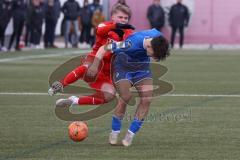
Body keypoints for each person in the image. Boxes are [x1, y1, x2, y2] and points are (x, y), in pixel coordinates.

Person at [87, 28, 170, 147]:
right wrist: (95, 66)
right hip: (123, 67)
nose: (155, 58)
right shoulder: (130, 44)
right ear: (149, 47)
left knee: (147, 99)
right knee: (126, 96)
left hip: (142, 69)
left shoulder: (158, 38)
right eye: (154, 55)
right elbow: (104, 48)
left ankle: (130, 134)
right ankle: (115, 132)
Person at [48, 4, 134, 107]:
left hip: (107, 71)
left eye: (126, 18)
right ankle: (61, 84)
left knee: (109, 96)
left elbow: (130, 45)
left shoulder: (129, 33)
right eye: (120, 17)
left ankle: (74, 101)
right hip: (94, 60)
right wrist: (115, 27)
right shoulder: (105, 26)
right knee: (88, 67)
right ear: (112, 17)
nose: (123, 20)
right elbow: (98, 30)